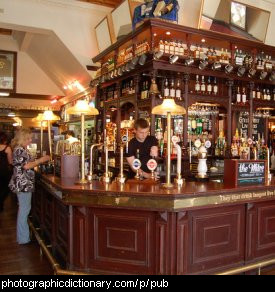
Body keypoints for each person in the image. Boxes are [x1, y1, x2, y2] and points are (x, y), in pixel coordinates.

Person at [9, 128, 50, 244]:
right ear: (23, 138)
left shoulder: (19, 149)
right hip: (23, 183)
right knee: (24, 210)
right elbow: (26, 166)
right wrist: (41, 160)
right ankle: (23, 238)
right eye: (29, 138)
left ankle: (23, 236)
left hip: (22, 182)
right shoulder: (19, 150)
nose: (31, 140)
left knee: (24, 209)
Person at [0, 132, 13, 212]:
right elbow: (10, 161)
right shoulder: (7, 148)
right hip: (4, 171)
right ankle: (1, 202)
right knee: (6, 188)